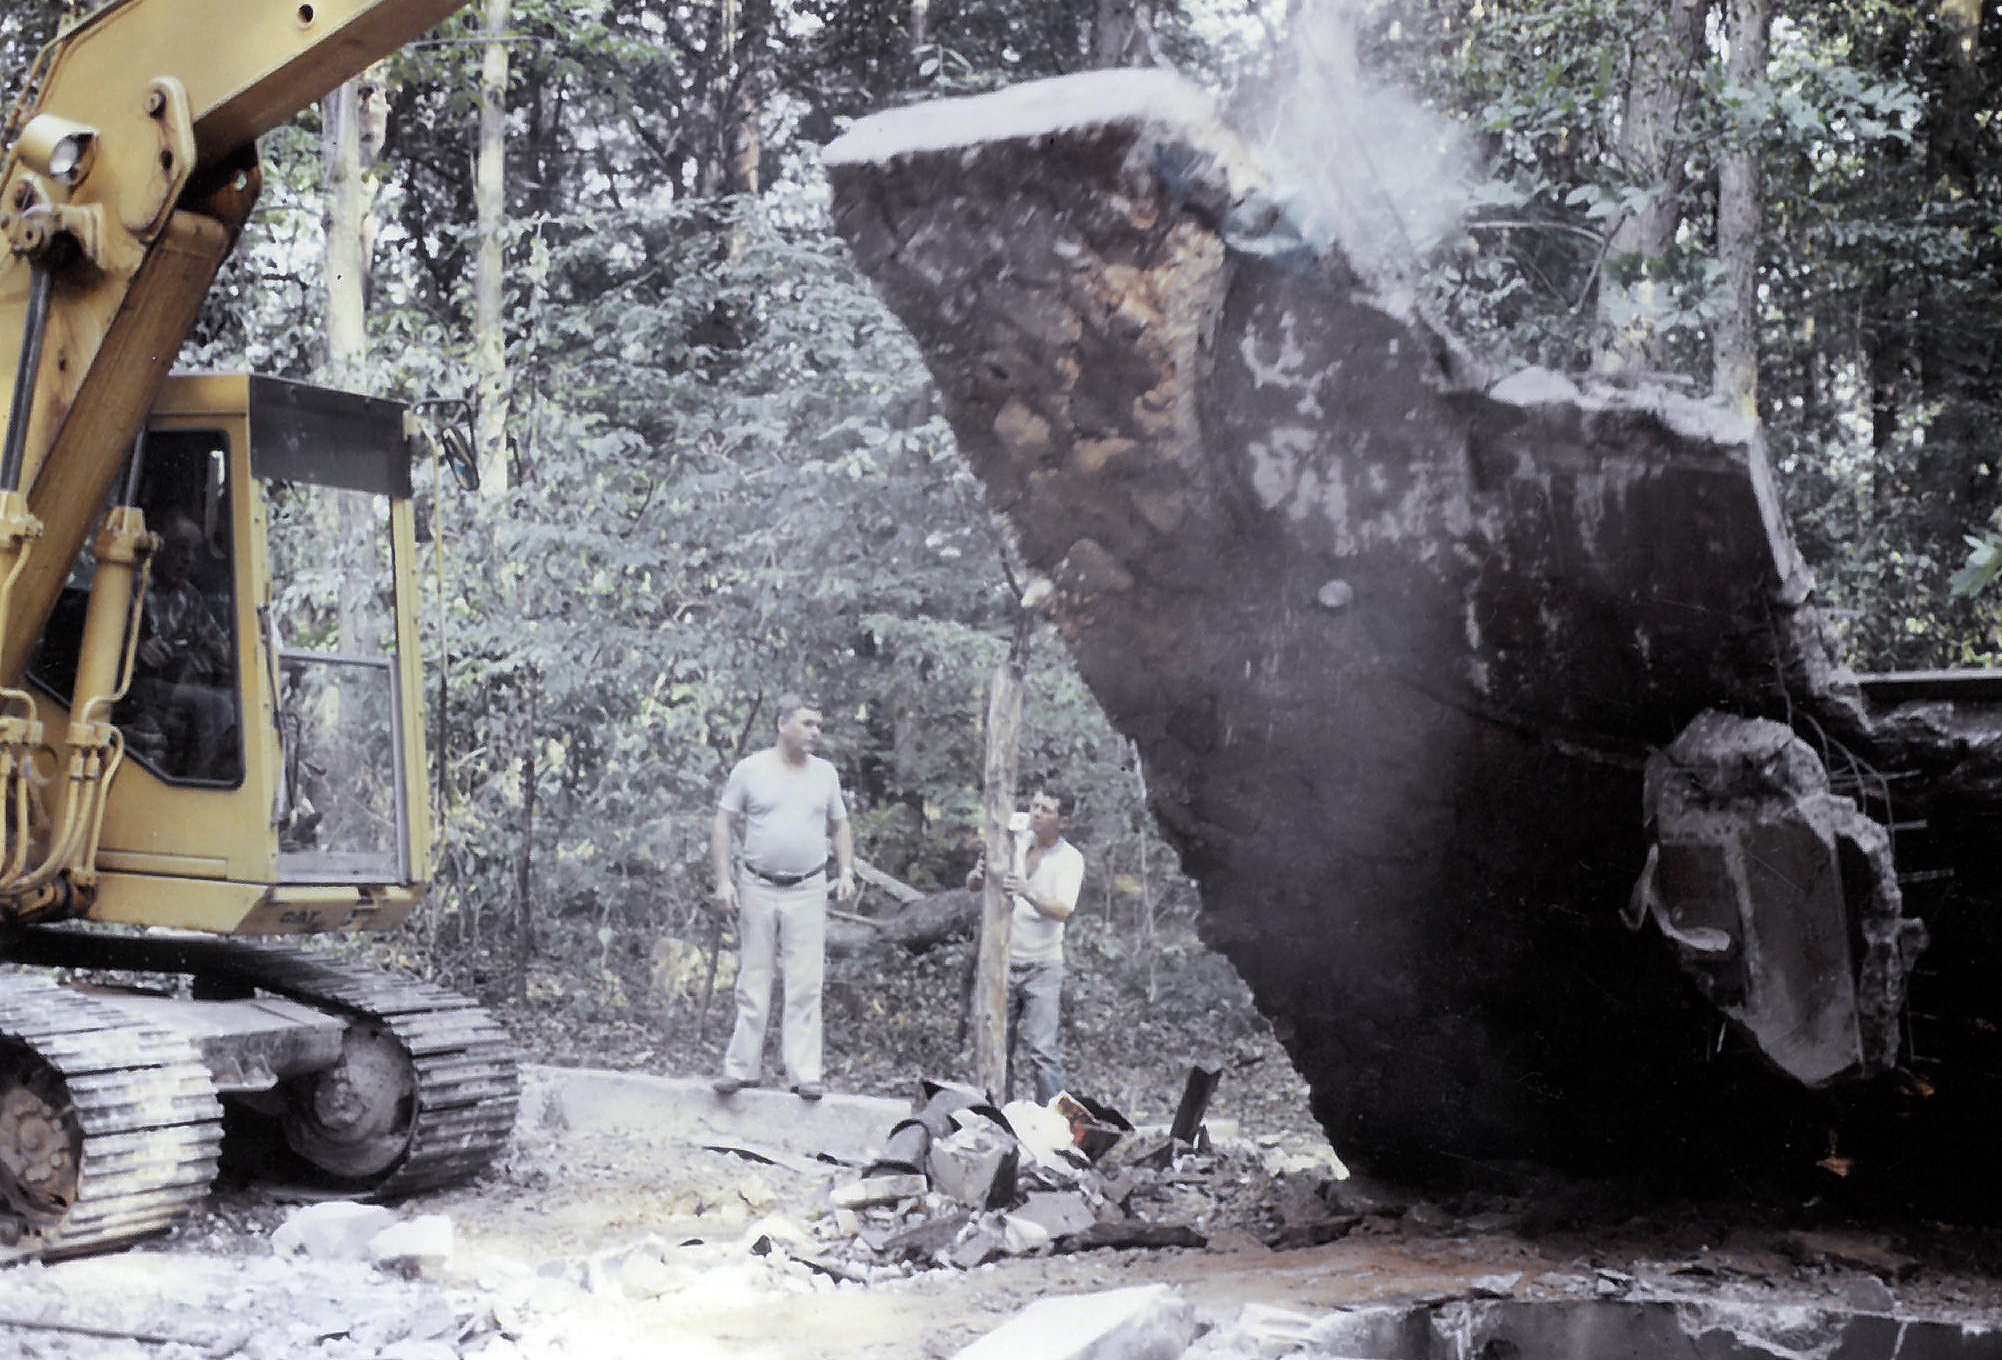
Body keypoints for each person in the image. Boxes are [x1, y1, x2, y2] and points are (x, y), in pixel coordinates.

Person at [710, 694, 857, 1100]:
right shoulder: (751, 770)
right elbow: (724, 822)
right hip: (757, 884)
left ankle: (804, 1072)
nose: (815, 733)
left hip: (808, 886)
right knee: (754, 978)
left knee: (806, 982)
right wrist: (724, 880)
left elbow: (840, 824)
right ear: (782, 724)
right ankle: (741, 1068)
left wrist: (845, 870)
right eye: (807, 724)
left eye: (818, 726)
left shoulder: (824, 774)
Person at [967, 787, 1085, 1104]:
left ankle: (1055, 1127)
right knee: (996, 1046)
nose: (1036, 814)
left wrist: (1026, 890)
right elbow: (974, 885)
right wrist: (979, 875)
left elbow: (1063, 910)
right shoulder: (1015, 842)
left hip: (1042, 967)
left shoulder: (1070, 860)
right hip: (1002, 962)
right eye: (1034, 806)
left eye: (1046, 810)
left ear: (1063, 822)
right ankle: (997, 1116)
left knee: (1043, 1052)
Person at [126, 515, 238, 781]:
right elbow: (105, 641)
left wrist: (233, 656)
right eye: (181, 548)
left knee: (236, 702)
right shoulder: (131, 587)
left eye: (194, 551)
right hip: (135, 686)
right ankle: (200, 785)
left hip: (171, 687)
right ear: (159, 546)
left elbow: (217, 642)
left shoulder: (187, 596)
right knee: (217, 706)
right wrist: (138, 648)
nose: (188, 559)